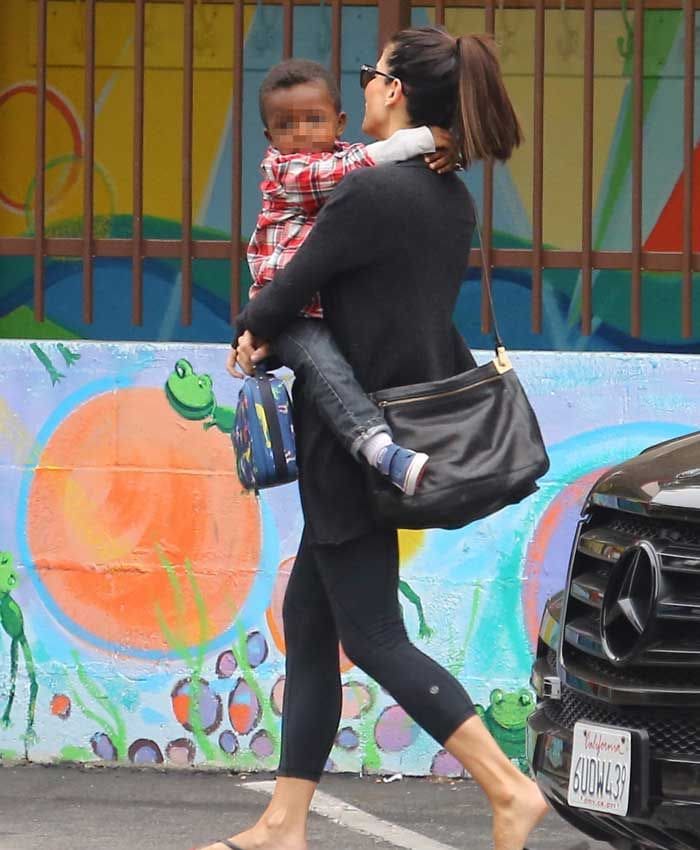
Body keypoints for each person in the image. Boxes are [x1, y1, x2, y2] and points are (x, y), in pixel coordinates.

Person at [209, 26, 548, 850]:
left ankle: (507, 788)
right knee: (313, 622)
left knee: (371, 633)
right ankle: (284, 822)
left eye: (371, 75)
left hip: (351, 438)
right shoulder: (447, 193)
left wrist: (253, 330)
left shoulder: (364, 194)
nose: (361, 87)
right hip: (397, 422)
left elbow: (288, 289)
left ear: (394, 91)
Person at [237, 58, 458, 494]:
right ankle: (378, 448)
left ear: (339, 123)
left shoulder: (355, 162)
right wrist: (420, 139)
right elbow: (342, 173)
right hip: (291, 315)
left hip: (323, 311)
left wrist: (448, 154)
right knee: (326, 367)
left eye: (314, 120)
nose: (301, 133)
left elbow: (381, 173)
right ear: (269, 137)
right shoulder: (285, 169)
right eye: (286, 125)